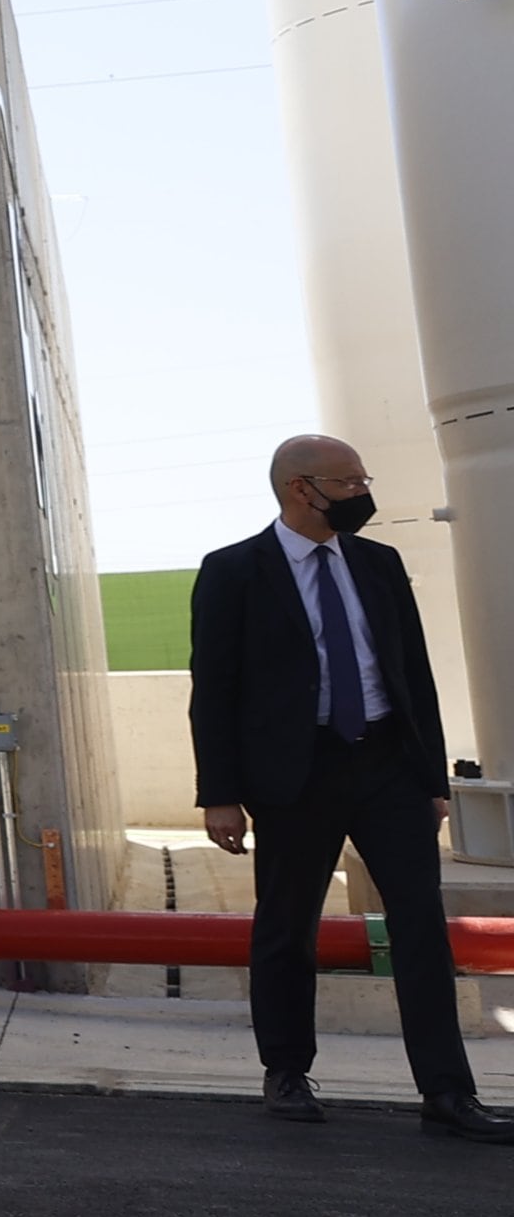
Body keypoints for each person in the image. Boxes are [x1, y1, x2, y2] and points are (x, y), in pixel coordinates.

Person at [189, 433, 512, 1141]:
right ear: (300, 488)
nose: (362, 491)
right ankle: (287, 1071)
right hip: (293, 776)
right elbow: (213, 689)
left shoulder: (379, 563)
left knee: (421, 926)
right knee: (286, 926)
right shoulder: (234, 571)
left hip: (387, 766)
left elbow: (413, 675)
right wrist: (220, 792)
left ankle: (448, 1093)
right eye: (349, 480)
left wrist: (432, 780)